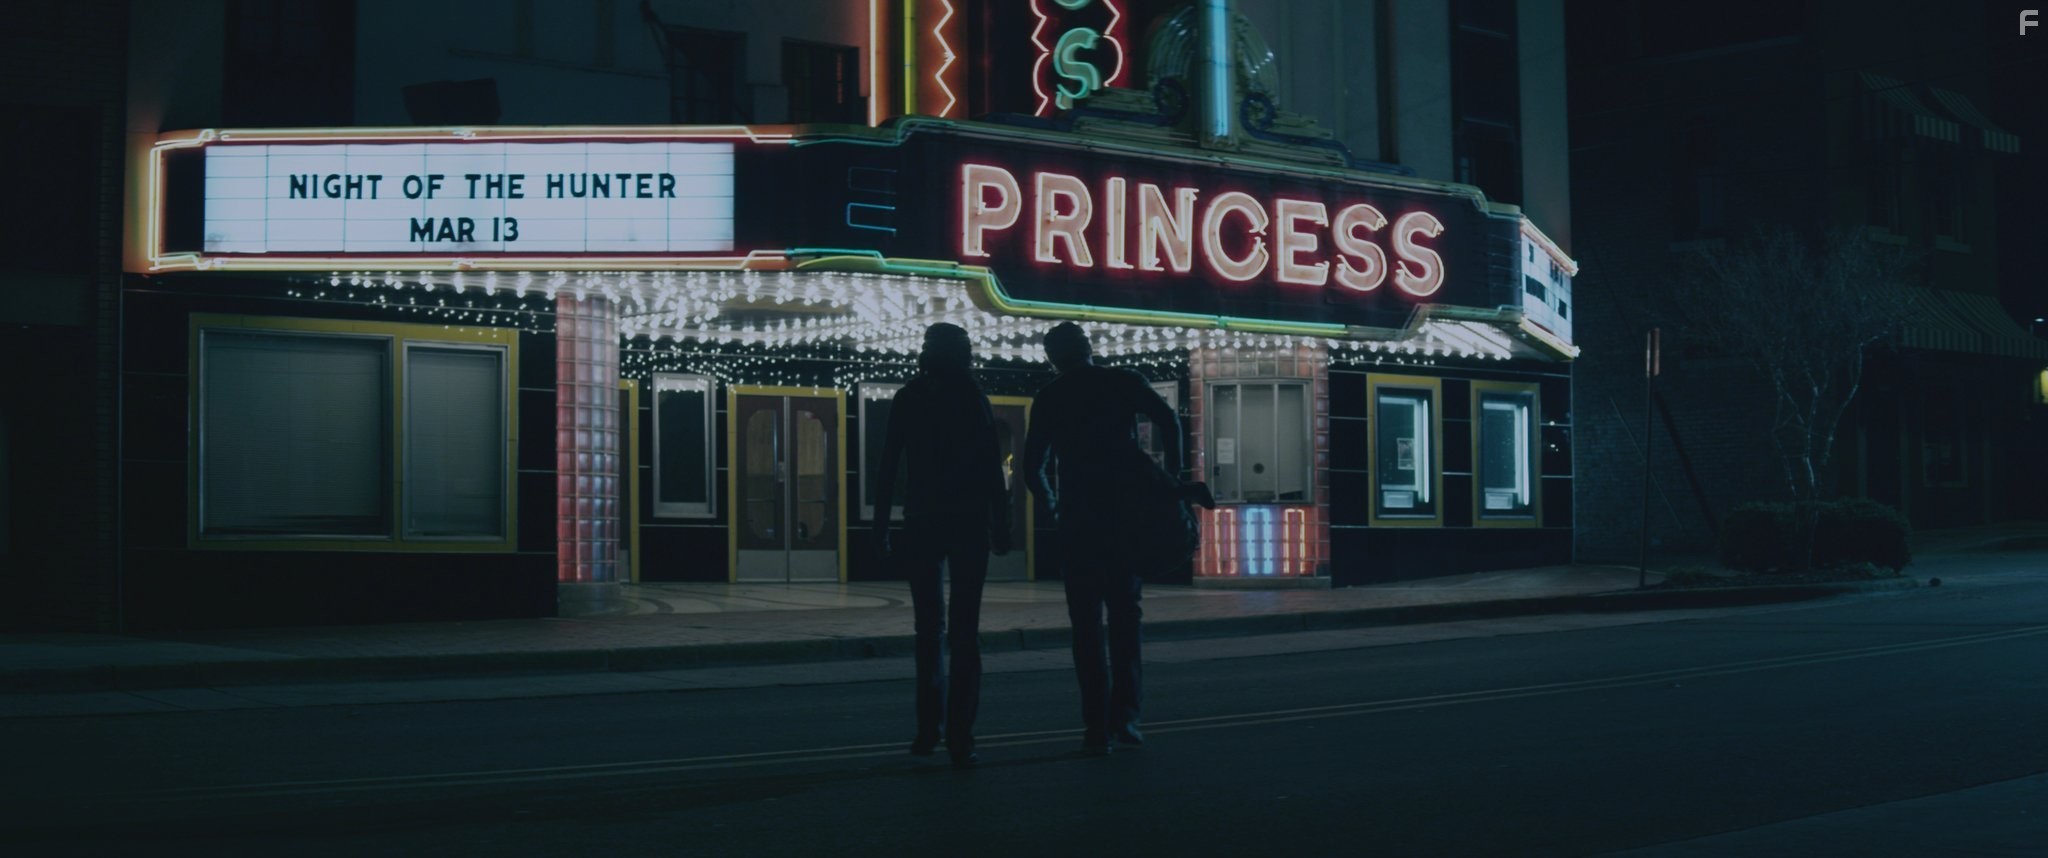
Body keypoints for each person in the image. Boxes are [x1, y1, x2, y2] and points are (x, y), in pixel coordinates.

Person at [1022, 322, 1186, 755]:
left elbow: (1031, 468)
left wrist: (1054, 504)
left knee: (1086, 628)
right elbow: (1168, 419)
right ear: (1088, 347)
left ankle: (1095, 727)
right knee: (1126, 620)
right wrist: (1174, 476)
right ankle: (1126, 719)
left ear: (1053, 357)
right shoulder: (1121, 382)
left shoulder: (1051, 397)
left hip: (1079, 522)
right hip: (1124, 519)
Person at [873, 323, 1011, 770]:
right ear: (962, 353)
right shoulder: (973, 397)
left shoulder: (910, 396)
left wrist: (880, 525)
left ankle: (927, 729)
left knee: (927, 629)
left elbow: (889, 462)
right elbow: (993, 466)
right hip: (968, 522)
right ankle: (960, 737)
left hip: (922, 520)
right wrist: (1001, 522)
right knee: (964, 632)